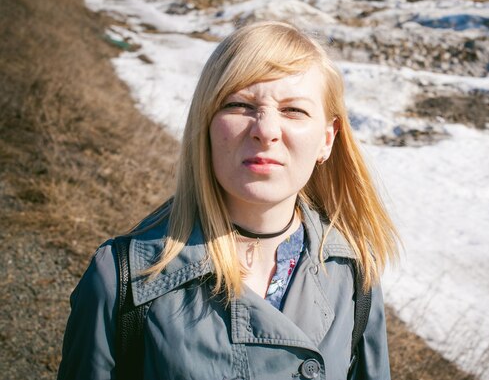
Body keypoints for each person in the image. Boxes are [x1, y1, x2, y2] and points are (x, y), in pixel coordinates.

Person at [57, 21, 400, 380]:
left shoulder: (355, 271)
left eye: (293, 110)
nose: (265, 130)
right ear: (205, 124)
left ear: (326, 140)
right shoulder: (121, 279)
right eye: (239, 105)